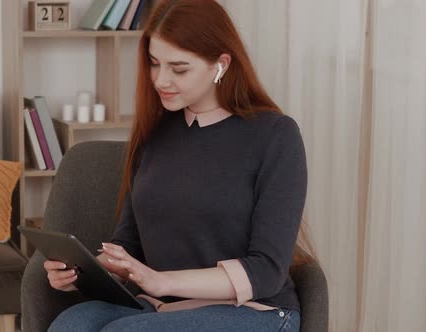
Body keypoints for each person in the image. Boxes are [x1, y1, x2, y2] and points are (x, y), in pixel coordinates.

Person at [45, 0, 313, 331]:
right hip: (161, 307)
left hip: (256, 310)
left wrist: (163, 282)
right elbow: (129, 245)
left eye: (179, 68)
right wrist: (80, 273)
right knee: (70, 325)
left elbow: (267, 270)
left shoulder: (275, 136)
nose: (160, 80)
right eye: (155, 63)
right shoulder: (155, 134)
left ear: (221, 65)